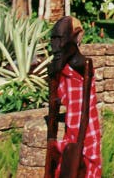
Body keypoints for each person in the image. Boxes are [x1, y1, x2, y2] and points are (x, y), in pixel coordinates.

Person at [46, 16, 102, 178]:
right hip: (70, 132)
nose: (55, 47)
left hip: (84, 132)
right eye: (53, 40)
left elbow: (84, 113)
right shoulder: (58, 68)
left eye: (60, 39)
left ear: (76, 37)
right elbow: (54, 106)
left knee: (86, 163)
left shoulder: (83, 66)